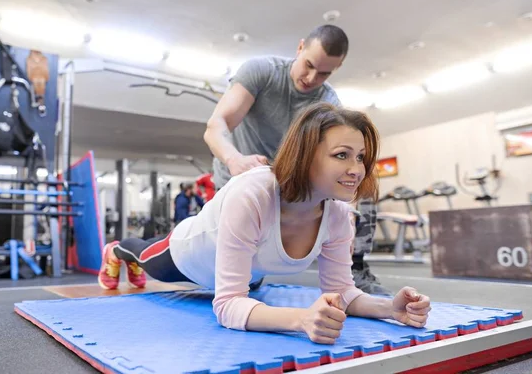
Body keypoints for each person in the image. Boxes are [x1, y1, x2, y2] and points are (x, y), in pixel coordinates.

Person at [98, 104, 431, 344]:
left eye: (360, 157)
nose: (356, 169)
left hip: (247, 274)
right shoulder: (253, 194)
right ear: (305, 154)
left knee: (251, 288)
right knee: (141, 253)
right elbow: (227, 306)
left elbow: (341, 292)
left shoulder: (339, 216)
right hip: (189, 255)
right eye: (342, 155)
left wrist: (390, 308)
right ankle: (115, 251)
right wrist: (300, 320)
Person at [203, 24, 387, 295]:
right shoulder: (262, 72)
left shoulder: (327, 100)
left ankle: (356, 271)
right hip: (239, 179)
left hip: (283, 185)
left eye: (324, 73)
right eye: (309, 65)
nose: (312, 78)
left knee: (252, 279)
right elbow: (216, 125)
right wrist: (234, 160)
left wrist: (346, 210)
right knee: (214, 271)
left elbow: (330, 163)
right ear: (300, 47)